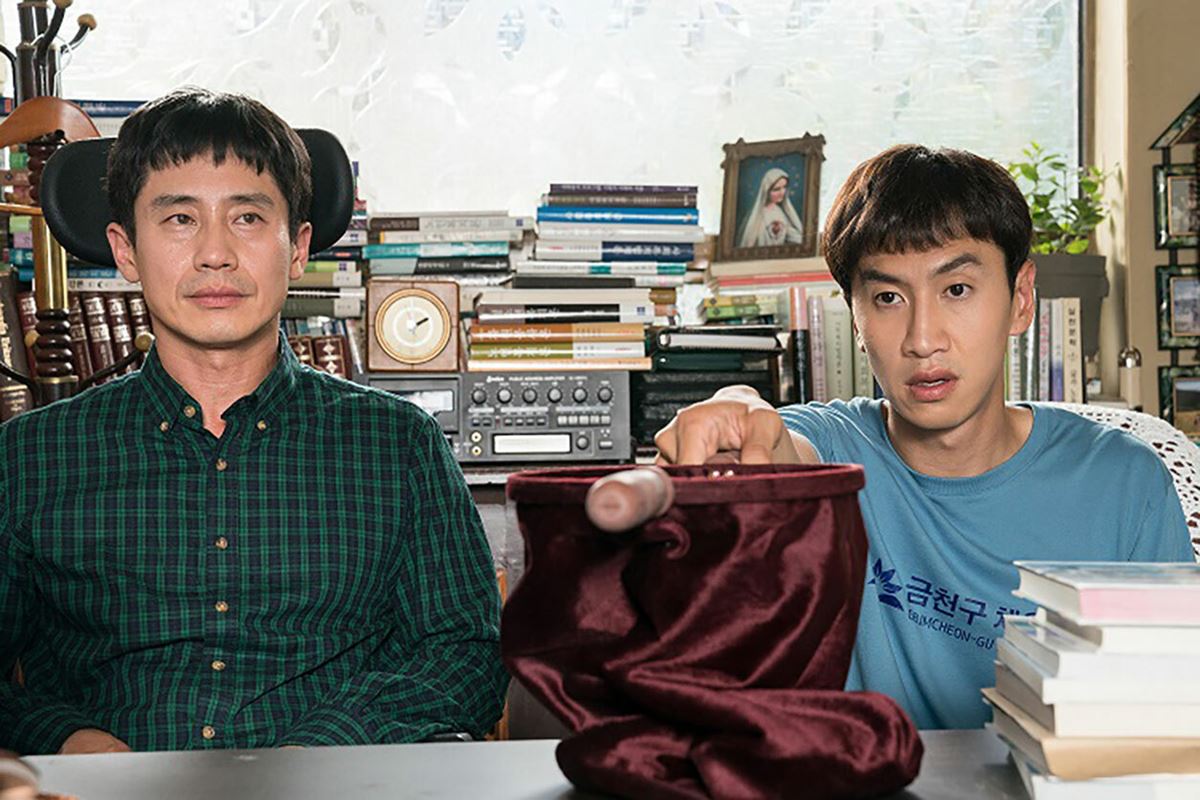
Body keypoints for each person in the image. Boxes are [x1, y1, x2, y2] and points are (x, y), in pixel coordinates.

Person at [0, 88, 508, 754]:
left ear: (297, 248)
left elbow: (466, 655)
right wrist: (69, 740)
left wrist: (320, 750)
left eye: (246, 217)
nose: (215, 253)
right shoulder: (29, 456)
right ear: (125, 250)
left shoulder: (398, 444)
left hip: (336, 788)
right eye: (179, 219)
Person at [656, 144, 1194, 729]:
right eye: (888, 298)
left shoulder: (1125, 483)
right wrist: (735, 407)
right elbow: (777, 447)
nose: (922, 339)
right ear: (855, 318)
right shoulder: (834, 452)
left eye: (956, 289)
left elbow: (1172, 715)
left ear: (1021, 300)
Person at [738, 167, 805, 247]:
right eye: (776, 189)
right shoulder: (758, 216)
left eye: (784, 187)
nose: (782, 192)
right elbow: (749, 242)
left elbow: (790, 234)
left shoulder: (780, 212)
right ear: (767, 191)